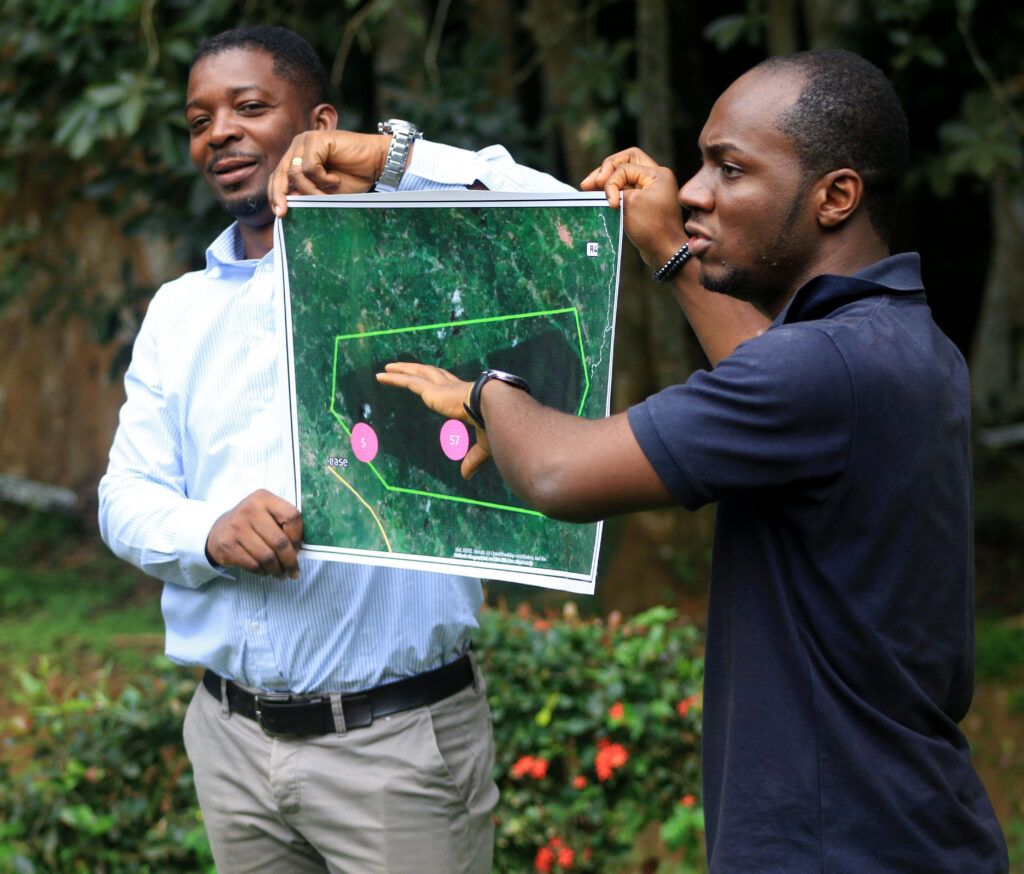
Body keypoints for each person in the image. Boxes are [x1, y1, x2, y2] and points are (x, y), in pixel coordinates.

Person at [376, 49, 1010, 872]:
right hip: (903, 826)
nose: (693, 189)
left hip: (838, 847)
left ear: (836, 196)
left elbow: (560, 475)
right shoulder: (896, 342)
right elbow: (764, 370)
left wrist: (485, 392)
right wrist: (672, 250)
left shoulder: (819, 368)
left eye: (730, 169)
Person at [97, 24, 572, 874]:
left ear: (318, 121)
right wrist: (207, 532)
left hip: (396, 752)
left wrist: (387, 161)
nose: (220, 133)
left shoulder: (419, 263)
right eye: (199, 119)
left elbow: (557, 213)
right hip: (232, 744)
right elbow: (124, 498)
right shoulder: (178, 310)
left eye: (249, 107)